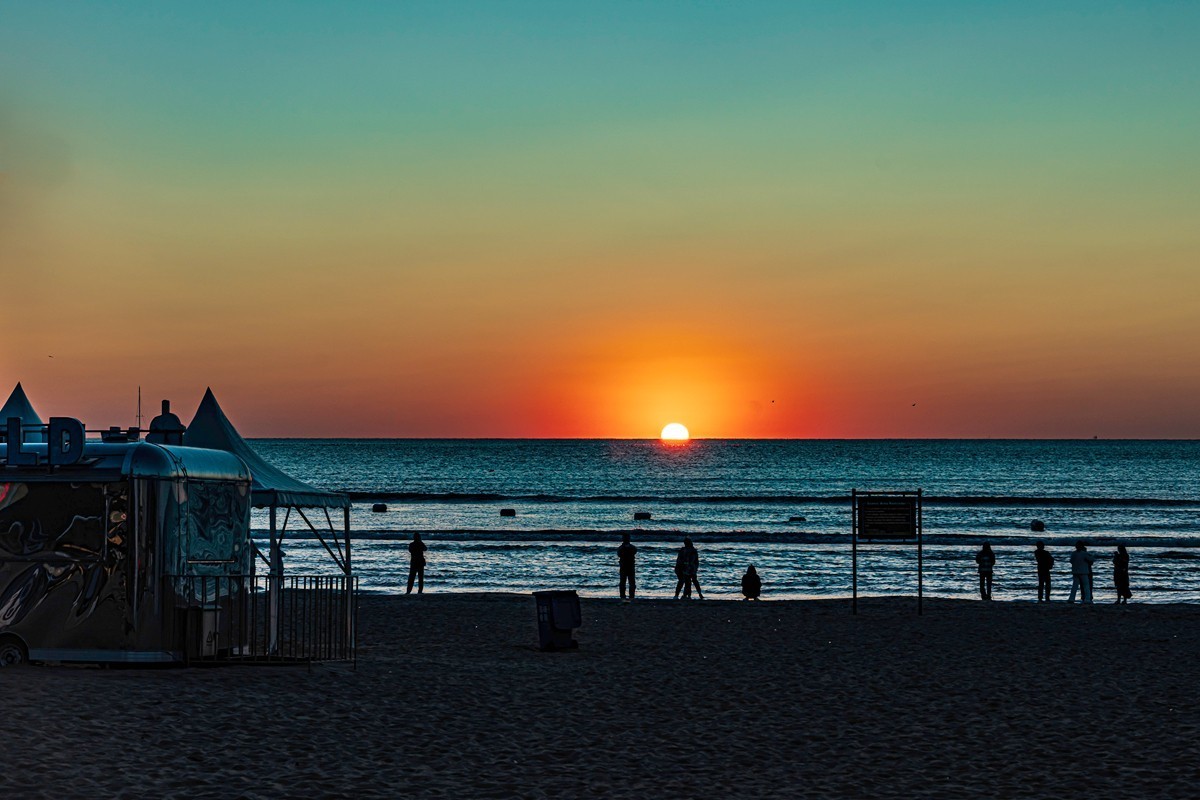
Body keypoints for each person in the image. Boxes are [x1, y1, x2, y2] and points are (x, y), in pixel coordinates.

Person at [618, 532, 638, 601]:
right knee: (624, 582)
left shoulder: (625, 548)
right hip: (626, 566)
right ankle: (624, 595)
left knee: (630, 582)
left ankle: (630, 595)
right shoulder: (629, 547)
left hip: (628, 566)